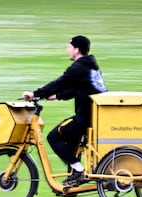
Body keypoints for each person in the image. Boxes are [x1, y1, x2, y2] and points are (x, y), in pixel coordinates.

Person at [23, 35, 107, 187]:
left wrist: (35, 94)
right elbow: (80, 89)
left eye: (69, 47)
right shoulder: (91, 66)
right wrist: (59, 96)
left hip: (86, 116)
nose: (67, 50)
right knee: (71, 141)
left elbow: (60, 82)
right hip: (97, 115)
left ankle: (78, 170)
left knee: (54, 137)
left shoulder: (78, 67)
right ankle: (75, 177)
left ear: (77, 49)